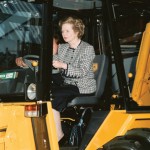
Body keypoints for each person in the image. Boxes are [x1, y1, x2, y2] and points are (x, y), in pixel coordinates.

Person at [51, 16, 96, 142]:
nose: (63, 34)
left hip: (82, 85)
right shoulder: (63, 48)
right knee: (43, 92)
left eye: (67, 31)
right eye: (62, 31)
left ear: (77, 31)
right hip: (67, 84)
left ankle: (58, 134)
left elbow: (82, 72)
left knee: (53, 95)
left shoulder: (87, 49)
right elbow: (52, 59)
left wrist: (63, 65)